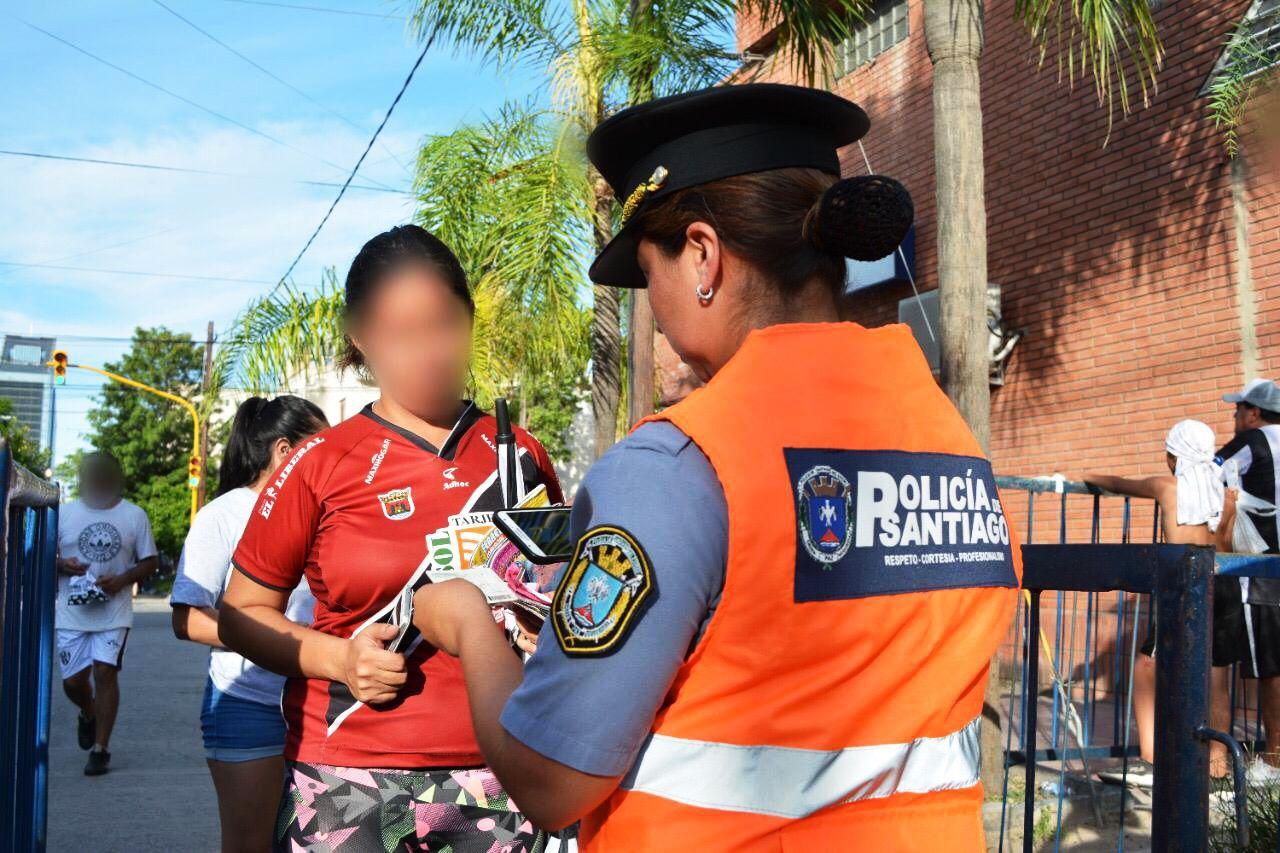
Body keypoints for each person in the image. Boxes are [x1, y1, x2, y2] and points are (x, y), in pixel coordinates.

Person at [409, 84, 1022, 851]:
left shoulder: (679, 463)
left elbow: (550, 778)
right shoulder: (952, 443)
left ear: (702, 255)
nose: (655, 310)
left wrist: (468, 621)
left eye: (648, 273)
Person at [219, 224, 563, 852]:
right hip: (347, 777)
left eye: (444, 324)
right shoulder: (319, 462)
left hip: (501, 776)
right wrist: (340, 659)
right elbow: (240, 613)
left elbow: (555, 590)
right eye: (400, 335)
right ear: (360, 338)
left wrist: (547, 625)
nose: (428, 351)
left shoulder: (521, 455)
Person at [170, 395, 328, 853]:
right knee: (250, 844)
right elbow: (188, 619)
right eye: (322, 447)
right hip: (247, 706)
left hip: (319, 705)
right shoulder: (222, 516)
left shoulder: (325, 512)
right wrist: (275, 639)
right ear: (284, 451)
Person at [1083, 419, 1228, 785]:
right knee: (1217, 672)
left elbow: (1119, 484)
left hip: (1185, 587)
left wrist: (1088, 475)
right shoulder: (1226, 497)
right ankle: (1219, 761)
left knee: (1146, 666)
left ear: (1174, 456)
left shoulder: (1168, 487)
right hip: (1223, 586)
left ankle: (1149, 755)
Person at [55, 450, 158, 776]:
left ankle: (100, 749)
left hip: (114, 610)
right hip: (71, 610)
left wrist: (123, 580)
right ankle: (89, 711)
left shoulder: (134, 515)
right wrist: (62, 564)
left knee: (105, 673)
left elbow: (150, 561)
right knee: (73, 682)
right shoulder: (64, 514)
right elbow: (43, 555)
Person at [1213, 378, 1280, 783]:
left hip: (1261, 566)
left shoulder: (1253, 441)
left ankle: (1274, 760)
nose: (1235, 417)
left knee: (1270, 664)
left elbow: (1206, 476)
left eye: (1238, 410)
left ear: (1253, 413)